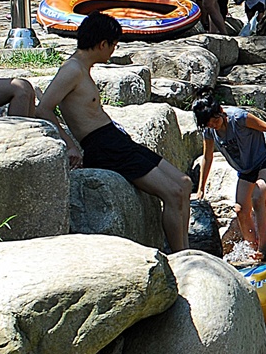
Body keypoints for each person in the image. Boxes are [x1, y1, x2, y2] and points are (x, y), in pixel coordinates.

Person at [36, 13, 191, 252]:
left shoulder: (83, 67)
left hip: (114, 138)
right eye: (113, 45)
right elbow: (43, 108)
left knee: (185, 183)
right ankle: (181, 256)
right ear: (102, 44)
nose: (113, 50)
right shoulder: (72, 69)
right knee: (173, 193)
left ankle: (189, 250)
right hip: (102, 146)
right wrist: (69, 144)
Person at [192, 94, 266, 261]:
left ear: (220, 111)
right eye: (208, 123)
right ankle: (252, 247)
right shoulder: (208, 130)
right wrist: (200, 188)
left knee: (257, 198)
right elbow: (207, 157)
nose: (213, 125)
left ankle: (263, 250)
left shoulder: (238, 117)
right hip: (246, 167)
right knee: (240, 209)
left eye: (215, 120)